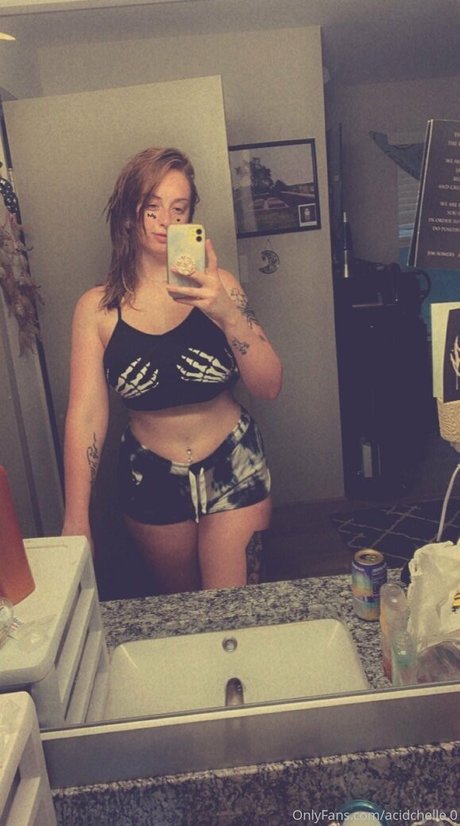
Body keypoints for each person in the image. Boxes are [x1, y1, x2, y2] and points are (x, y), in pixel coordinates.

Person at [62, 147, 282, 593]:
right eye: (152, 207)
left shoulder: (221, 288)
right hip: (150, 478)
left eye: (178, 209)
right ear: (129, 214)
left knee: (233, 609)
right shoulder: (96, 309)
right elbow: (85, 415)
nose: (166, 220)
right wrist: (75, 517)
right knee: (180, 611)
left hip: (234, 462)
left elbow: (269, 385)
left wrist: (227, 313)